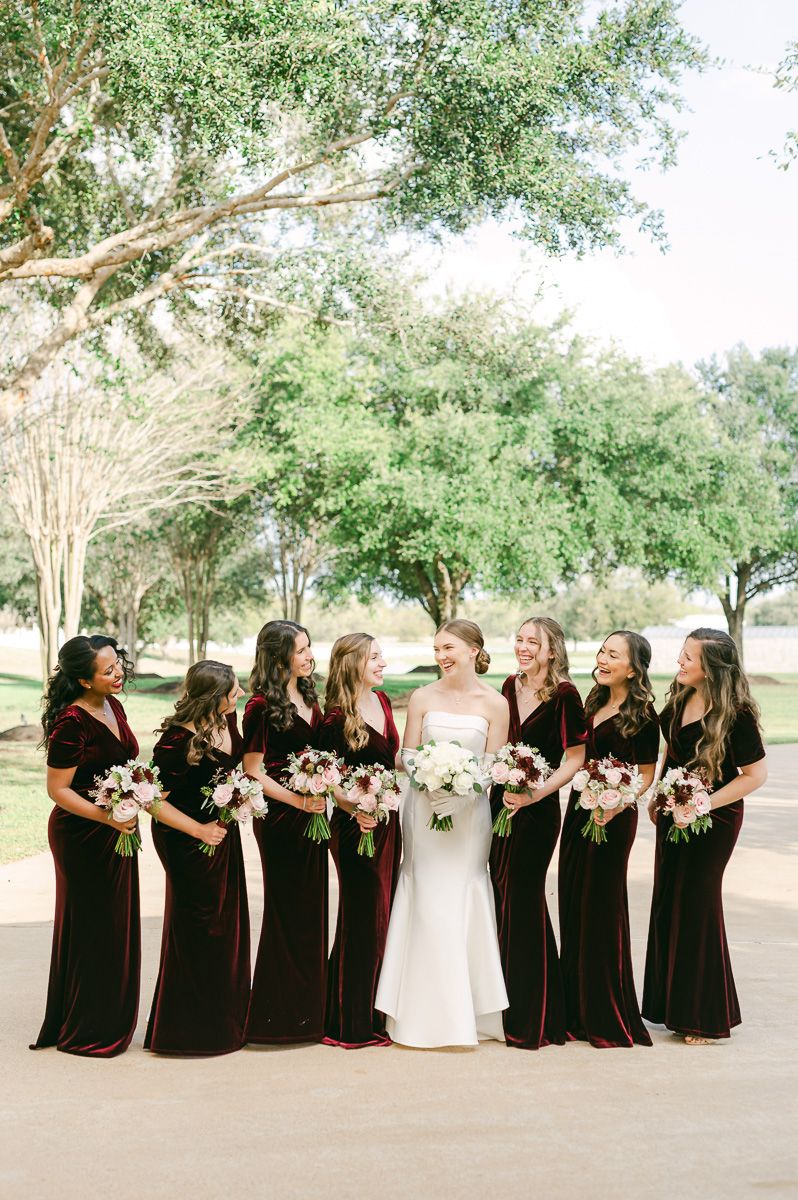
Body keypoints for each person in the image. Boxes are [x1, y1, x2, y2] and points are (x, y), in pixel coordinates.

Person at [375, 619, 509, 1047]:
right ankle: (417, 1016)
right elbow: (407, 754)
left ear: (474, 650)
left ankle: (469, 1015)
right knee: (427, 900)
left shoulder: (495, 703)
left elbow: (493, 764)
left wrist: (465, 791)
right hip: (422, 811)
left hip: (469, 819)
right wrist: (429, 782)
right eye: (436, 649)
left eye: (448, 648)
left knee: (459, 897)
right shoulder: (422, 696)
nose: (441, 657)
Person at [643, 628, 767, 1044]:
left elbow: (755, 775)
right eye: (681, 654)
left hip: (715, 820)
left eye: (688, 658)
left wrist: (702, 805)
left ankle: (703, 1017)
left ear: (711, 669)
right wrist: (660, 792)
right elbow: (671, 752)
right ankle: (669, 1007)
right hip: (672, 812)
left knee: (697, 906)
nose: (680, 663)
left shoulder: (737, 715)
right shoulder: (679, 699)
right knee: (667, 902)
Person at [32, 635, 141, 1057]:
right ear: (82, 679)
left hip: (117, 828)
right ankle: (86, 1025)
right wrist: (106, 816)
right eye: (108, 670)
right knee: (94, 926)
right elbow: (58, 789)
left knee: (116, 925)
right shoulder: (71, 723)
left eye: (118, 665)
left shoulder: (114, 705)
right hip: (81, 834)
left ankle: (111, 1014)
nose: (118, 674)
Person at [558, 631, 659, 1048]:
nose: (602, 658)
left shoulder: (645, 716)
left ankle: (606, 1013)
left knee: (601, 907)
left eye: (612, 655)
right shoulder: (592, 701)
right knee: (572, 899)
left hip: (615, 819)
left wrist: (619, 801)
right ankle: (574, 1011)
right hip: (580, 810)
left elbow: (648, 774)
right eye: (602, 650)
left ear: (633, 669)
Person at [490, 616, 587, 1050]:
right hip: (499, 804)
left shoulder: (566, 695)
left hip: (538, 809)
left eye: (534, 642)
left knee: (524, 898)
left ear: (552, 650)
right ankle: (500, 1006)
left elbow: (574, 759)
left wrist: (533, 794)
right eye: (520, 639)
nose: (523, 647)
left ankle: (538, 1014)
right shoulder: (509, 686)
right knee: (499, 894)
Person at [144, 661, 250, 1056]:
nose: (238, 695)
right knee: (198, 927)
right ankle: (187, 1033)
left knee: (226, 924)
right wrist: (200, 830)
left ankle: (225, 1022)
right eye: (233, 690)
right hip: (186, 839)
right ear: (212, 696)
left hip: (222, 834)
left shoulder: (227, 719)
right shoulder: (173, 744)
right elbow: (152, 803)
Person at [242, 620, 327, 1044]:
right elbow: (253, 771)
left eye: (310, 648)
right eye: (302, 650)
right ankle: (277, 1016)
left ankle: (312, 1012)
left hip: (316, 814)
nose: (311, 655)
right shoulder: (259, 705)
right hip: (279, 818)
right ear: (279, 657)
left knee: (313, 911)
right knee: (287, 910)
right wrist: (298, 801)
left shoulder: (311, 694)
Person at [319, 634, 401, 1048]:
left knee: (381, 918)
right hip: (356, 828)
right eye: (375, 657)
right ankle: (349, 1022)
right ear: (353, 664)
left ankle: (374, 1013)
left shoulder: (383, 704)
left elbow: (391, 757)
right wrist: (354, 807)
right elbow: (326, 778)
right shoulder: (334, 718)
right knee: (361, 920)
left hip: (388, 824)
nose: (383, 662)